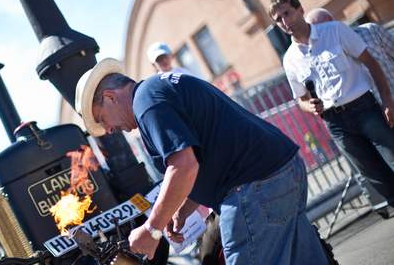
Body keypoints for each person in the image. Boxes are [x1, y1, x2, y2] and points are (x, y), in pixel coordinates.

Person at [74, 58, 329, 264]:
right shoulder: (158, 89)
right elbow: (205, 156)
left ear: (110, 97)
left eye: (101, 119)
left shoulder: (146, 104)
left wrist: (152, 229)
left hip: (253, 188)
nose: (107, 129)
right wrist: (182, 209)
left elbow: (184, 166)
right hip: (280, 170)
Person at [270, 0, 394, 211]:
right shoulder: (290, 59)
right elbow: (300, 99)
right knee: (375, 176)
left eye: (287, 13)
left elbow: (371, 63)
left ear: (300, 9)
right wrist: (310, 106)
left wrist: (387, 101)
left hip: (365, 108)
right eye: (278, 19)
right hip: (335, 122)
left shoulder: (335, 30)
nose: (284, 21)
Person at [305, 8, 394, 105]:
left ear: (329, 21)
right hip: (373, 112)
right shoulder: (322, 57)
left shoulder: (370, 30)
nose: (315, 35)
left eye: (318, 29)